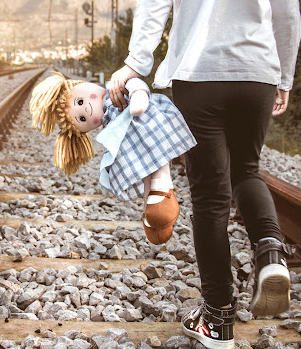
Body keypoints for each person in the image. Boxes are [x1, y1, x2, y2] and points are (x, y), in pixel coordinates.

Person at [109, 0, 301, 349]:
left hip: (199, 76)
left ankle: (217, 318)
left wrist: (135, 64)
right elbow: (287, 13)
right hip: (257, 74)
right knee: (247, 171)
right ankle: (270, 251)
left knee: (212, 197)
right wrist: (284, 78)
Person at [30, 71, 196, 244]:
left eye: (80, 102)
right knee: (146, 172)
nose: (86, 109)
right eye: (82, 118)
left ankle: (164, 192)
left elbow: (135, 84)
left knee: (158, 166)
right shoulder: (108, 119)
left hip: (149, 124)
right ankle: (151, 212)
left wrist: (138, 96)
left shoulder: (115, 88)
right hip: (137, 142)